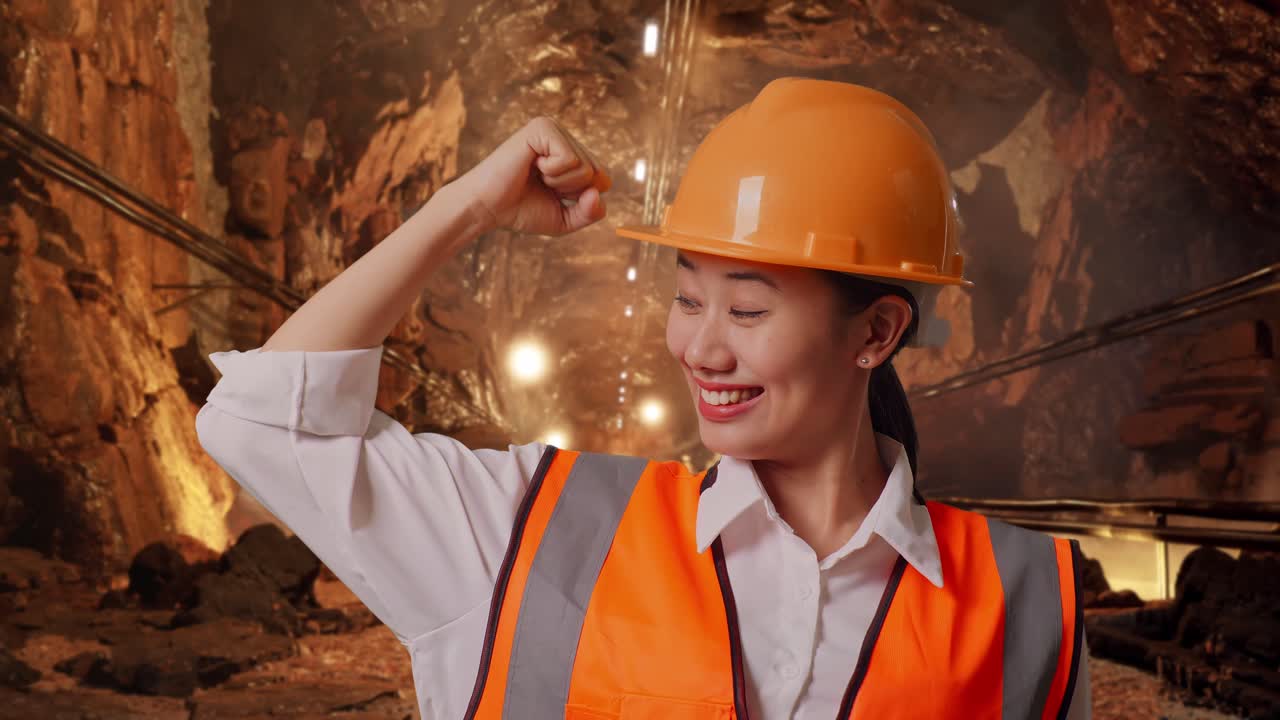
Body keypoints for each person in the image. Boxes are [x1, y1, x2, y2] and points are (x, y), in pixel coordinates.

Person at [196, 77, 1090, 719]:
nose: (699, 347)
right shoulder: (530, 531)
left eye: (746, 308)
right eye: (687, 296)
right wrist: (467, 207)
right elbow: (262, 420)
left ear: (876, 334)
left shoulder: (1027, 605)